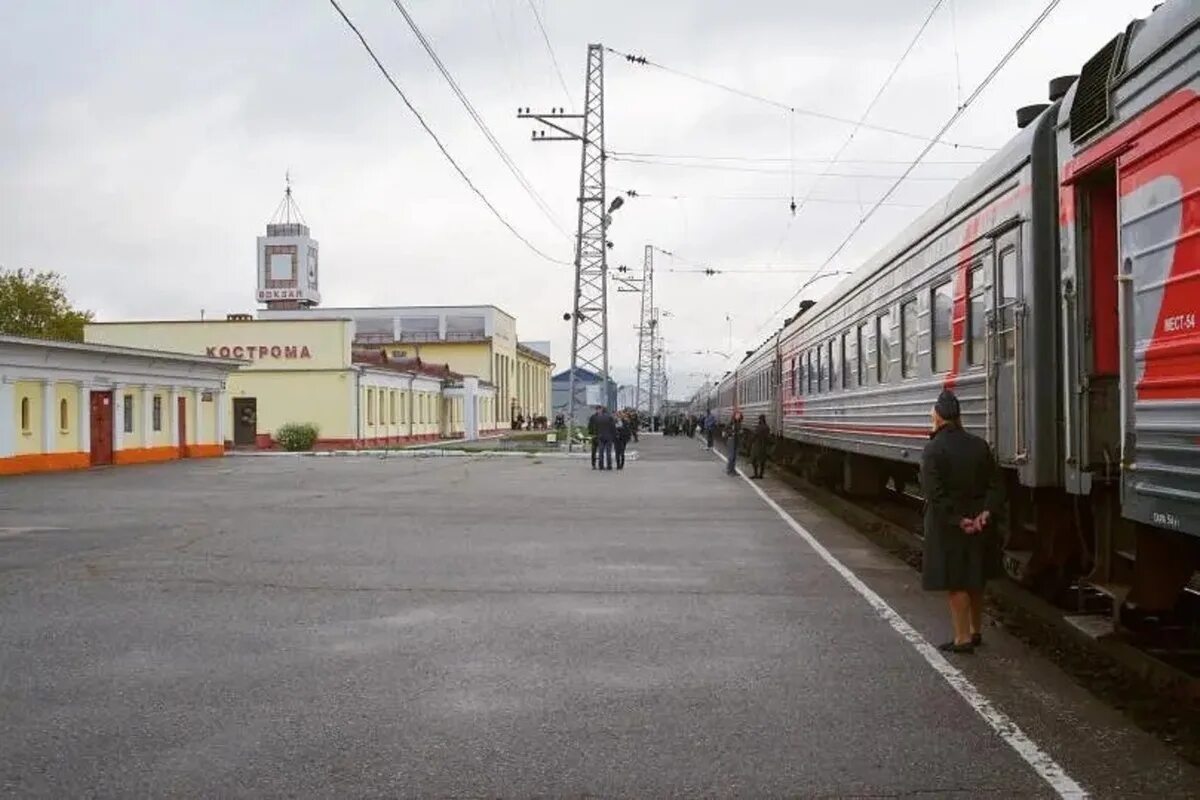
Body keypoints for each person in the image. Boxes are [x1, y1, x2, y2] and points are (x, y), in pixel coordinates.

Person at [920, 389, 1003, 654]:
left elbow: (934, 493)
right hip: (979, 523)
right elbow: (995, 485)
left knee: (956, 582)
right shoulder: (979, 445)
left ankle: (961, 638)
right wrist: (985, 514)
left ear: (939, 416)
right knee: (975, 578)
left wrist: (958, 520)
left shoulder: (934, 449)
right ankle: (976, 631)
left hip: (950, 526)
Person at [594, 406, 617, 470]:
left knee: (601, 452)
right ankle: (609, 466)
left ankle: (600, 466)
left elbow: (596, 428)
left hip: (600, 436)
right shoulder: (610, 418)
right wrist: (614, 435)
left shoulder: (598, 418)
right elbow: (613, 427)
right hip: (609, 437)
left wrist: (597, 435)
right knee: (608, 452)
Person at [750, 414, 771, 479]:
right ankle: (761, 475)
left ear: (760, 420)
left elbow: (754, 435)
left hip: (757, 445)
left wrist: (751, 441)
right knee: (762, 461)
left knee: (754, 460)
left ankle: (756, 474)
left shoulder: (758, 427)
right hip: (763, 446)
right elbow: (768, 437)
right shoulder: (767, 427)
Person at [725, 410, 743, 475]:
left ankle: (733, 470)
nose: (738, 416)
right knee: (731, 456)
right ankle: (729, 470)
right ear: (734, 416)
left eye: (739, 415)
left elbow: (739, 431)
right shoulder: (731, 423)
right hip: (731, 440)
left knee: (735, 456)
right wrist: (732, 432)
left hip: (737, 440)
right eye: (737, 415)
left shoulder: (739, 423)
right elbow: (726, 430)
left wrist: (740, 432)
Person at [587, 405, 602, 469]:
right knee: (594, 451)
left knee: (601, 451)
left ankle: (600, 464)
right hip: (595, 435)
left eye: (600, 409)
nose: (599, 411)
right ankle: (593, 464)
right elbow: (590, 425)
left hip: (601, 436)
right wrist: (591, 433)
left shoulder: (604, 417)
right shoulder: (593, 417)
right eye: (598, 409)